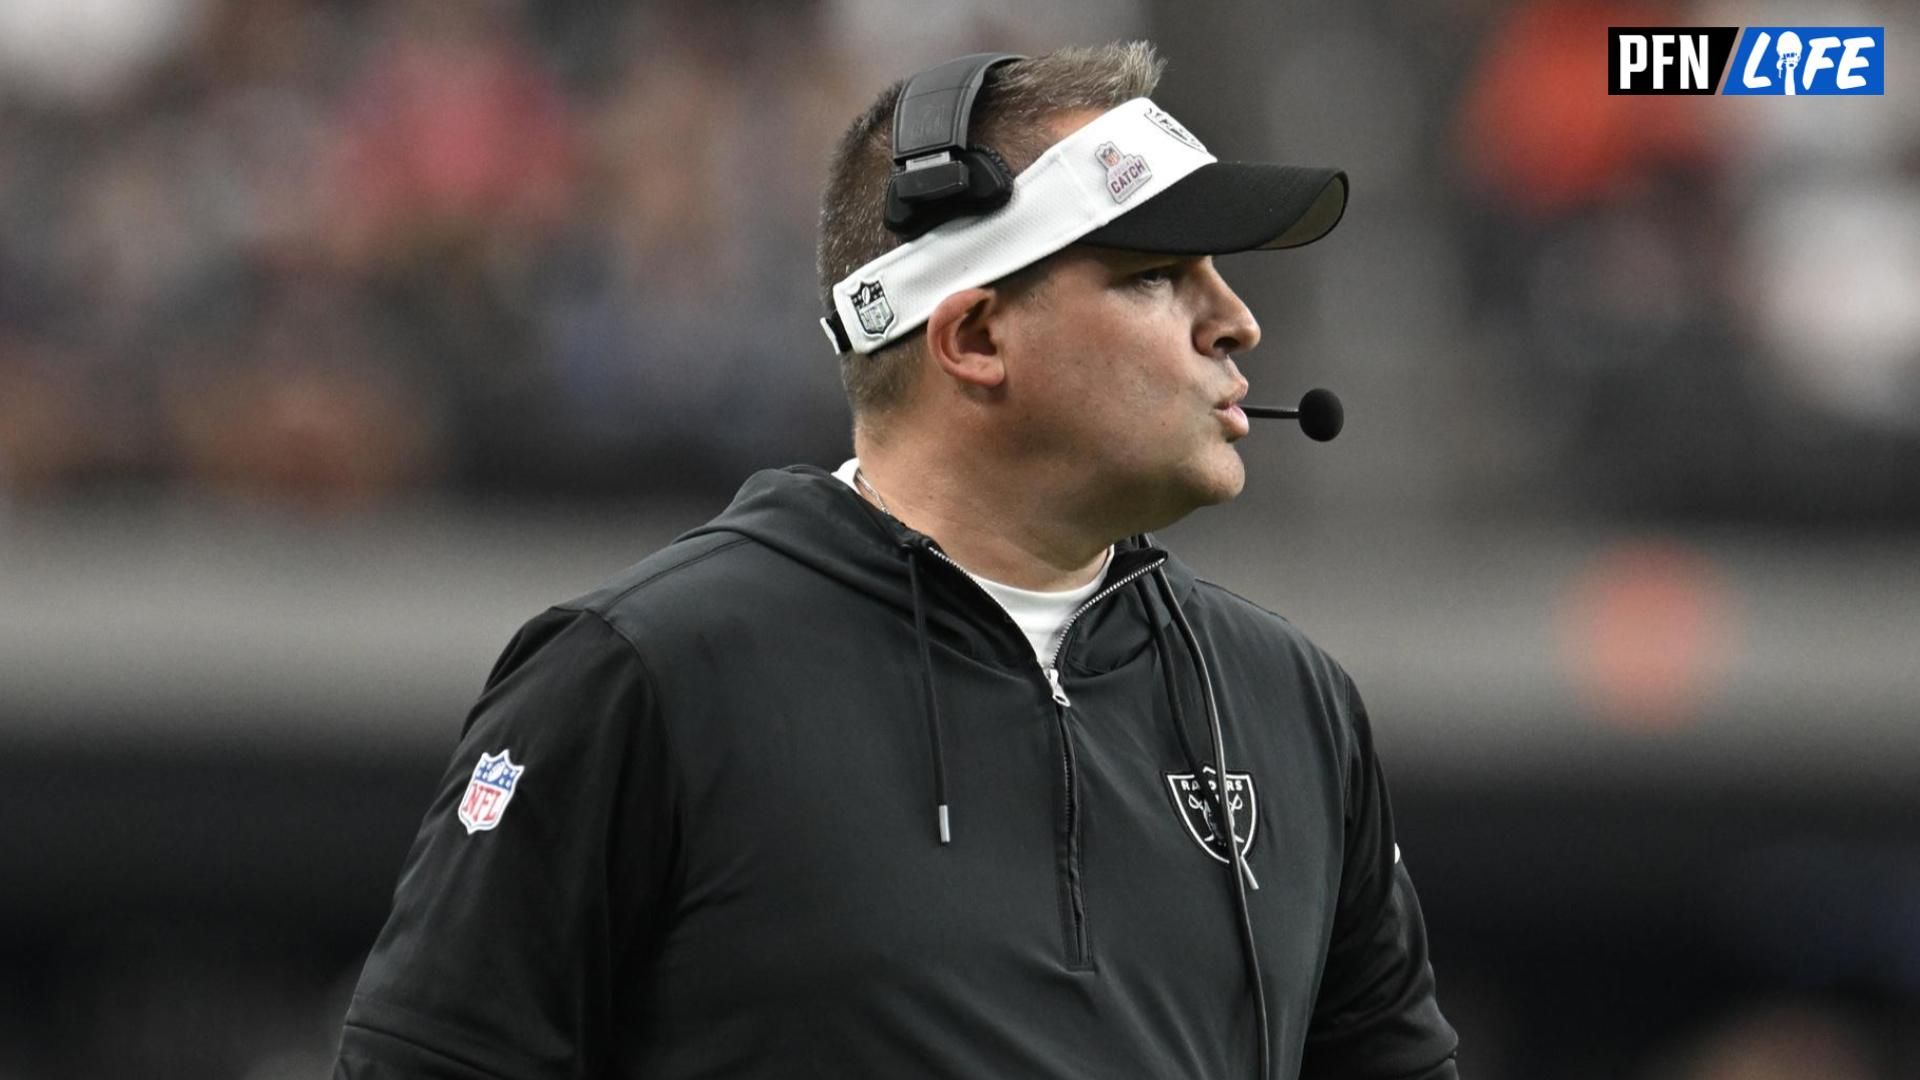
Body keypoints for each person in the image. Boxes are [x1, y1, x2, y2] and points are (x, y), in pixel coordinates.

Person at [334, 41, 1459, 1079]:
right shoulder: (648, 674)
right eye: (1157, 273)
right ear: (971, 337)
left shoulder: (1290, 704)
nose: (1237, 322)